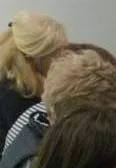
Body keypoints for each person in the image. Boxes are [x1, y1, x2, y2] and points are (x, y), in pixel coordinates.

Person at [0, 11, 67, 145]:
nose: (62, 59)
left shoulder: (10, 84)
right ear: (36, 56)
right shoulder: (18, 100)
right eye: (57, 53)